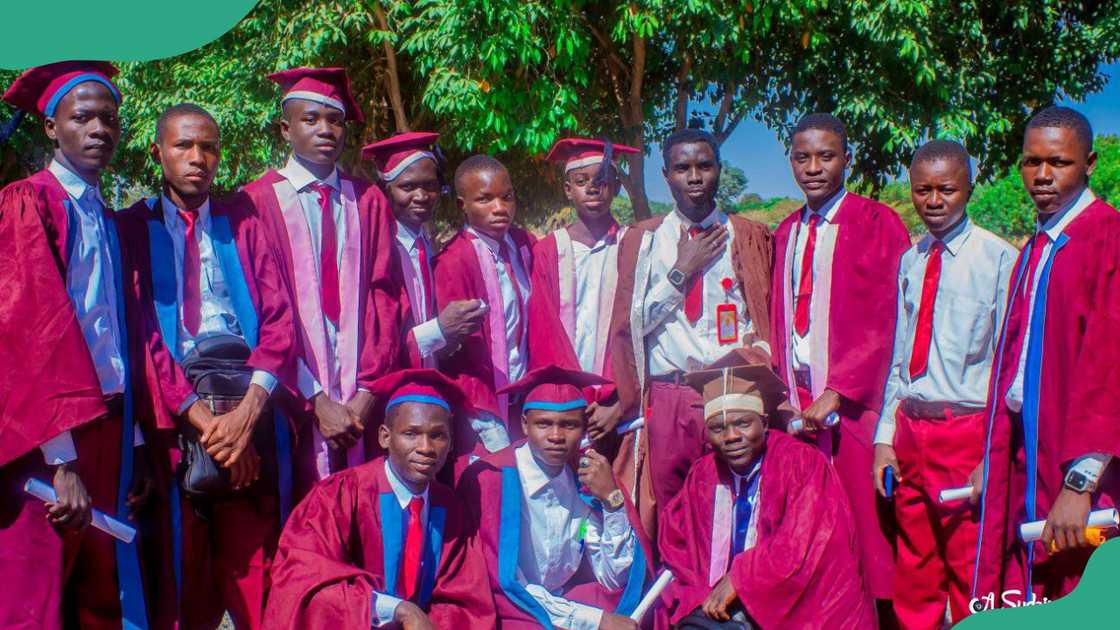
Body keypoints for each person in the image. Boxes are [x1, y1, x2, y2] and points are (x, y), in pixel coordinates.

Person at [115, 103, 300, 629]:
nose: (198, 158)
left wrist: (246, 417)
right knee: (180, 576)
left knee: (257, 574)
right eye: (184, 146)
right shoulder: (131, 228)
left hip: (249, 403)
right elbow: (144, 333)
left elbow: (279, 320)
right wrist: (208, 423)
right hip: (176, 418)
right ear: (158, 152)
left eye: (209, 147)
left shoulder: (241, 221)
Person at [0, 60, 158, 630]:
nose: (99, 130)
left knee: (101, 590)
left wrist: (135, 439)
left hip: (110, 425)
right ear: (51, 127)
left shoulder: (108, 218)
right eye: (82, 117)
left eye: (109, 118)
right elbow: (29, 334)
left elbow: (119, 337)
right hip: (48, 433)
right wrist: (61, 458)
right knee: (33, 593)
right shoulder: (28, 203)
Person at [973, 106, 1120, 606]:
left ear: (1090, 163)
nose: (1041, 175)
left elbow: (1109, 369)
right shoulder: (1039, 244)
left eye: (1058, 162)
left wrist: (1080, 484)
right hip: (1025, 454)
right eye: (1031, 161)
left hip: (1078, 464)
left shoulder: (1108, 239)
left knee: (1080, 588)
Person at [871, 139, 1016, 627]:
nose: (933, 201)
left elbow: (1008, 369)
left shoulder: (998, 259)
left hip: (967, 432)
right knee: (915, 567)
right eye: (922, 190)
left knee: (970, 566)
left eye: (947, 190)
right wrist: (885, 440)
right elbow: (899, 358)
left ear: (969, 188)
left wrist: (992, 456)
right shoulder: (912, 260)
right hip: (912, 429)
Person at [769, 113, 910, 604]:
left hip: (853, 405)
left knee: (867, 531)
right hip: (801, 402)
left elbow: (888, 319)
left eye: (826, 156)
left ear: (846, 159)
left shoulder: (877, 222)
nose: (814, 167)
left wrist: (841, 389)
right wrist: (784, 393)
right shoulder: (786, 230)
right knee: (810, 529)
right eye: (803, 157)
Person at [609, 128, 773, 537]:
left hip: (730, 392)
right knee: (672, 510)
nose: (695, 177)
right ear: (666, 175)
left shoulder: (747, 235)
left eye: (705, 166)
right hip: (670, 398)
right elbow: (630, 326)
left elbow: (764, 318)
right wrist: (681, 271)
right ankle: (676, 600)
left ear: (719, 170)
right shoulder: (644, 240)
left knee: (735, 504)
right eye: (683, 168)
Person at [244, 66, 399, 492]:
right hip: (288, 403)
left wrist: (366, 395)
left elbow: (385, 298)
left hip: (360, 406)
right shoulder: (254, 203)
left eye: (335, 120)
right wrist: (316, 401)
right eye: (311, 119)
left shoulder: (368, 200)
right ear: (285, 129)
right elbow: (260, 312)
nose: (325, 129)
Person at [264, 369, 496, 629]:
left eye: (438, 435)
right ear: (385, 436)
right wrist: (397, 610)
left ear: (451, 443)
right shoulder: (338, 497)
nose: (426, 448)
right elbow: (302, 579)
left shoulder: (451, 510)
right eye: (411, 433)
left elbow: (466, 599)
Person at [659, 351, 874, 629]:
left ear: (765, 421)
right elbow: (677, 546)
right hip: (717, 605)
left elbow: (805, 545)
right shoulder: (703, 475)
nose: (732, 436)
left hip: (787, 605)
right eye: (718, 428)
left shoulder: (799, 465)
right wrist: (699, 594)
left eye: (743, 423)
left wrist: (741, 579)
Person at [457, 365, 652, 630]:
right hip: (508, 608)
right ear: (524, 424)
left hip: (560, 600)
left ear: (584, 427)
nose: (556, 437)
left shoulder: (586, 478)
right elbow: (508, 584)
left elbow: (612, 578)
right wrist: (596, 621)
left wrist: (612, 502)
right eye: (544, 424)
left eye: (569, 425)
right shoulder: (492, 481)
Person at [528, 138, 638, 446]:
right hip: (563, 403)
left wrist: (619, 401)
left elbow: (642, 332)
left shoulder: (633, 246)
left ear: (616, 187)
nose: (592, 188)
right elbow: (543, 333)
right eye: (581, 181)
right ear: (567, 190)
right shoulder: (549, 250)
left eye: (602, 181)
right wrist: (569, 397)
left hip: (619, 406)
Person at [434, 154, 536, 476]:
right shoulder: (455, 259)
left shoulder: (523, 246)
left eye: (506, 197)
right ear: (463, 204)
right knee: (492, 485)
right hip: (481, 404)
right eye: (484, 199)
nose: (499, 208)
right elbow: (456, 352)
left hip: (522, 392)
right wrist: (482, 414)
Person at [361, 131, 487, 370]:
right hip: (394, 389)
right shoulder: (377, 252)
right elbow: (377, 342)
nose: (421, 196)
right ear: (385, 189)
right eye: (407, 187)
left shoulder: (426, 245)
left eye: (430, 185)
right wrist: (440, 329)